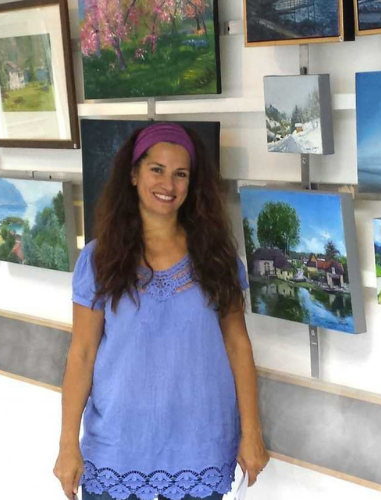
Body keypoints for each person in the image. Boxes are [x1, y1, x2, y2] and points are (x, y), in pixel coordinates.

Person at [53, 122, 269, 500]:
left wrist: (252, 433)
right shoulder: (99, 259)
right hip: (118, 447)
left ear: (192, 182)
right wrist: (68, 444)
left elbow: (238, 347)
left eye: (180, 174)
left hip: (201, 447)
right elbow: (82, 354)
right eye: (157, 170)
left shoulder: (217, 259)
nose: (168, 185)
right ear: (134, 174)